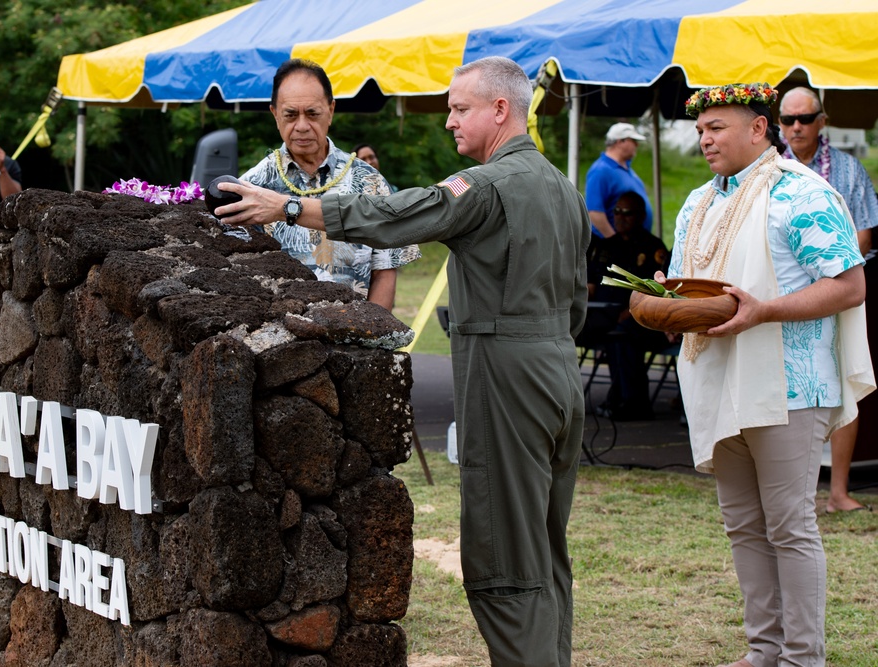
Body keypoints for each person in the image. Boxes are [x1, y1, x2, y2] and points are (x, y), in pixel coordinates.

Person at [217, 56, 591, 667]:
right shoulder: (562, 188)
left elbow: (395, 218)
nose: (447, 121)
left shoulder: (488, 185)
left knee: (501, 560)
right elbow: (577, 301)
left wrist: (288, 208)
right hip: (558, 369)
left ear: (501, 110)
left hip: (506, 378)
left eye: (458, 108)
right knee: (545, 551)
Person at [661, 82, 874, 667]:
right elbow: (686, 287)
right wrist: (666, 311)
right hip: (718, 380)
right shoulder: (697, 202)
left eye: (717, 128)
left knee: (789, 527)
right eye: (700, 130)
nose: (704, 139)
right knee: (744, 527)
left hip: (791, 384)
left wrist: (765, 310)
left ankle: (803, 659)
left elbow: (849, 284)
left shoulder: (803, 193)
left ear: (759, 129)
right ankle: (764, 652)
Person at [237, 60, 419, 310]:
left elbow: (385, 269)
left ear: (331, 111)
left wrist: (370, 338)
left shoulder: (369, 182)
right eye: (290, 115)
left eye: (312, 114)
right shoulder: (253, 188)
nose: (301, 126)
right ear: (275, 115)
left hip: (355, 338)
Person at [779, 86, 878, 513]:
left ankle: (837, 491)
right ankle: (785, 493)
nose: (796, 127)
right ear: (776, 125)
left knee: (843, 383)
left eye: (805, 118)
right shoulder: (768, 170)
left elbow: (865, 234)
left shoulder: (848, 169)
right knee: (778, 383)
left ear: (823, 121)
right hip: (781, 295)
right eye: (788, 120)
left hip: (838, 290)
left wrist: (822, 273)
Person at [583, 190, 671, 420]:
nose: (620, 217)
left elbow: (657, 292)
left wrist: (632, 311)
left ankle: (631, 402)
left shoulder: (652, 248)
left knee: (621, 335)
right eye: (617, 212)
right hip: (601, 315)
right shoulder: (605, 247)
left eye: (627, 213)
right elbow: (590, 286)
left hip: (639, 320)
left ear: (641, 216)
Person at [584, 122, 653, 238]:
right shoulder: (600, 170)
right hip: (615, 250)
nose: (637, 145)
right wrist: (615, 243)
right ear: (620, 141)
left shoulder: (626, 168)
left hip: (633, 244)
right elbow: (594, 213)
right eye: (633, 141)